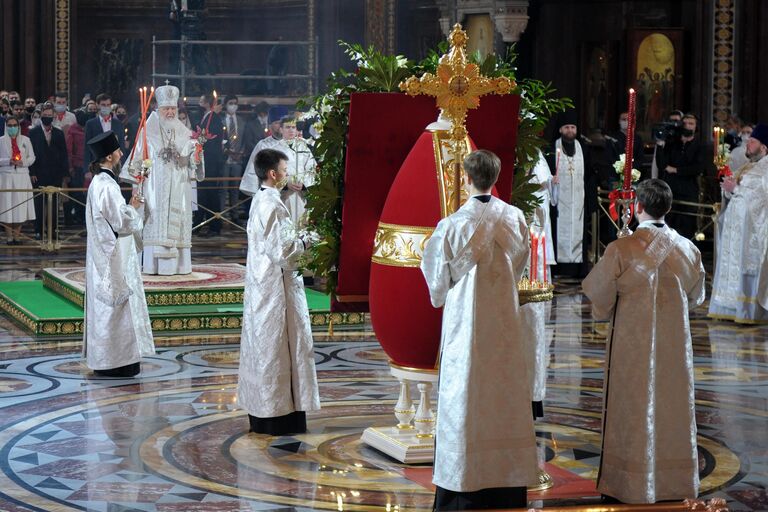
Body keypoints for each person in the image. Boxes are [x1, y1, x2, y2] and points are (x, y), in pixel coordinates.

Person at [421, 150, 538, 510]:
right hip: (503, 324)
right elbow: (521, 265)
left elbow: (437, 283)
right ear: (496, 176)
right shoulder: (515, 218)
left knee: (465, 396)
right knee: (502, 396)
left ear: (466, 179)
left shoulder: (452, 225)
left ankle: (464, 483)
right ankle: (506, 481)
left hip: (465, 329)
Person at [582, 178, 705, 504]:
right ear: (668, 207)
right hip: (674, 349)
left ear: (637, 207)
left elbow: (600, 303)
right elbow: (697, 297)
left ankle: (630, 485)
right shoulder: (688, 249)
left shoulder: (621, 249)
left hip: (631, 349)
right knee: (672, 407)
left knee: (632, 408)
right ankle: (674, 482)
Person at [237, 148, 320, 435]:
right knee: (277, 350)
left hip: (265, 286)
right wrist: (309, 240)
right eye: (285, 169)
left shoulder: (261, 200)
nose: (288, 174)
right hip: (276, 289)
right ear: (273, 174)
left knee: (268, 349)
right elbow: (283, 252)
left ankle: (268, 412)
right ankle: (278, 415)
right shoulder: (272, 204)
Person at [83, 131, 153, 377]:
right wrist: (134, 208)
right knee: (115, 310)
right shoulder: (107, 185)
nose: (122, 154)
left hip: (103, 256)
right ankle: (117, 362)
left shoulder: (99, 182)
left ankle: (109, 359)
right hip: (113, 258)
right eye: (119, 151)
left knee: (109, 309)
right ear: (110, 156)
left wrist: (128, 208)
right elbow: (120, 223)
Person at [120, 84, 203, 275]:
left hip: (179, 187)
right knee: (155, 223)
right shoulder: (147, 132)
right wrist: (138, 182)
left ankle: (180, 266)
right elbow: (136, 161)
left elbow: (193, 162)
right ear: (158, 109)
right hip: (155, 189)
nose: (170, 112)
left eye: (173, 109)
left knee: (178, 222)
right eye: (166, 108)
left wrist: (197, 152)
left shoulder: (184, 132)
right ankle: (152, 266)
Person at [709, 123, 768, 323]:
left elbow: (763, 197)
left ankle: (748, 311)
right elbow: (734, 188)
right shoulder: (747, 166)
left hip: (752, 231)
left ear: (764, 147)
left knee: (746, 266)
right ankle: (730, 307)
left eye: (752, 141)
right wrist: (728, 187)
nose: (747, 145)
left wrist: (736, 189)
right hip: (736, 230)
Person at [546, 109, 595, 277]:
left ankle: (576, 271)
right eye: (566, 127)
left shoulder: (584, 148)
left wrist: (591, 203)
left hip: (579, 204)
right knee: (558, 232)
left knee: (578, 233)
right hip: (558, 204)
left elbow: (590, 177)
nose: (570, 131)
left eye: (573, 127)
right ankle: (558, 270)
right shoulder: (552, 149)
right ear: (560, 129)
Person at [655, 113, 707, 239]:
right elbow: (661, 164)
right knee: (668, 226)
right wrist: (660, 145)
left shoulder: (699, 146)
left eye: (691, 124)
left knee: (686, 228)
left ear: (696, 127)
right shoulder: (672, 143)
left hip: (688, 191)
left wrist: (676, 170)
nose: (688, 126)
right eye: (685, 123)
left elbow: (698, 168)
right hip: (671, 189)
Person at [29, 103, 68, 239]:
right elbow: (30, 153)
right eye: (45, 116)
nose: (47, 117)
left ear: (53, 116)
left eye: (49, 116)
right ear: (41, 116)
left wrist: (64, 174)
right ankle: (39, 230)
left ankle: (53, 231)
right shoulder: (33, 133)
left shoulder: (58, 133)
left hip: (55, 173)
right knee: (39, 205)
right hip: (38, 174)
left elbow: (64, 154)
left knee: (54, 206)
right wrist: (32, 172)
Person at [0, 115, 36, 244]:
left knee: (20, 207)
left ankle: (17, 235)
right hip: (6, 177)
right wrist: (7, 161)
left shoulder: (26, 140)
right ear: (6, 126)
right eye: (10, 126)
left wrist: (23, 162)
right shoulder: (1, 141)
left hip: (22, 176)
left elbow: (32, 157)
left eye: (15, 125)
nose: (12, 128)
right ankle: (9, 236)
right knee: (6, 206)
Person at [274, 116, 316, 225]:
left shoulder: (304, 148)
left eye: (293, 127)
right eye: (288, 127)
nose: (291, 130)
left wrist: (304, 183)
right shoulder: (274, 149)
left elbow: (312, 168)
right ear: (281, 129)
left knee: (301, 229)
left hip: (301, 197)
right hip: (283, 197)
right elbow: (270, 174)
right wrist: (286, 183)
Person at [239, 105, 286, 198]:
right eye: (277, 122)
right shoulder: (263, 145)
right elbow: (253, 171)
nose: (280, 126)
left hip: (292, 196)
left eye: (283, 123)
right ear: (270, 125)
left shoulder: (298, 145)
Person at [197, 93, 225, 235]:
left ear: (208, 103)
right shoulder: (206, 117)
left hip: (211, 163)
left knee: (211, 194)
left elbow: (213, 141)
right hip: (204, 162)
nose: (199, 103)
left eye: (201, 100)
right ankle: (201, 223)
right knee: (203, 194)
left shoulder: (214, 118)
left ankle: (214, 225)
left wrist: (202, 143)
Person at [84, 93, 125, 173]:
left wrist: (122, 167)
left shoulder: (118, 124)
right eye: (103, 105)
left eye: (108, 105)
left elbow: (121, 145)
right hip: (97, 165)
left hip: (114, 165)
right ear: (97, 105)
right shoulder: (90, 124)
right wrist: (87, 169)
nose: (106, 107)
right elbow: (87, 147)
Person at [221, 94, 246, 223]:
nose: (233, 106)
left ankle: (234, 215)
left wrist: (241, 151)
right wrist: (227, 151)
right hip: (225, 159)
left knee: (235, 189)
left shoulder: (241, 121)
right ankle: (220, 216)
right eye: (230, 103)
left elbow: (244, 139)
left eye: (235, 103)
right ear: (225, 105)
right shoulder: (221, 120)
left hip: (237, 160)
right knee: (223, 189)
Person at [65, 110, 88, 225]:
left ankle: (85, 216)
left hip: (89, 165)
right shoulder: (72, 130)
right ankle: (78, 216)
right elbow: (69, 150)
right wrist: (70, 167)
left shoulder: (89, 128)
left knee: (87, 192)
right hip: (77, 166)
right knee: (78, 193)